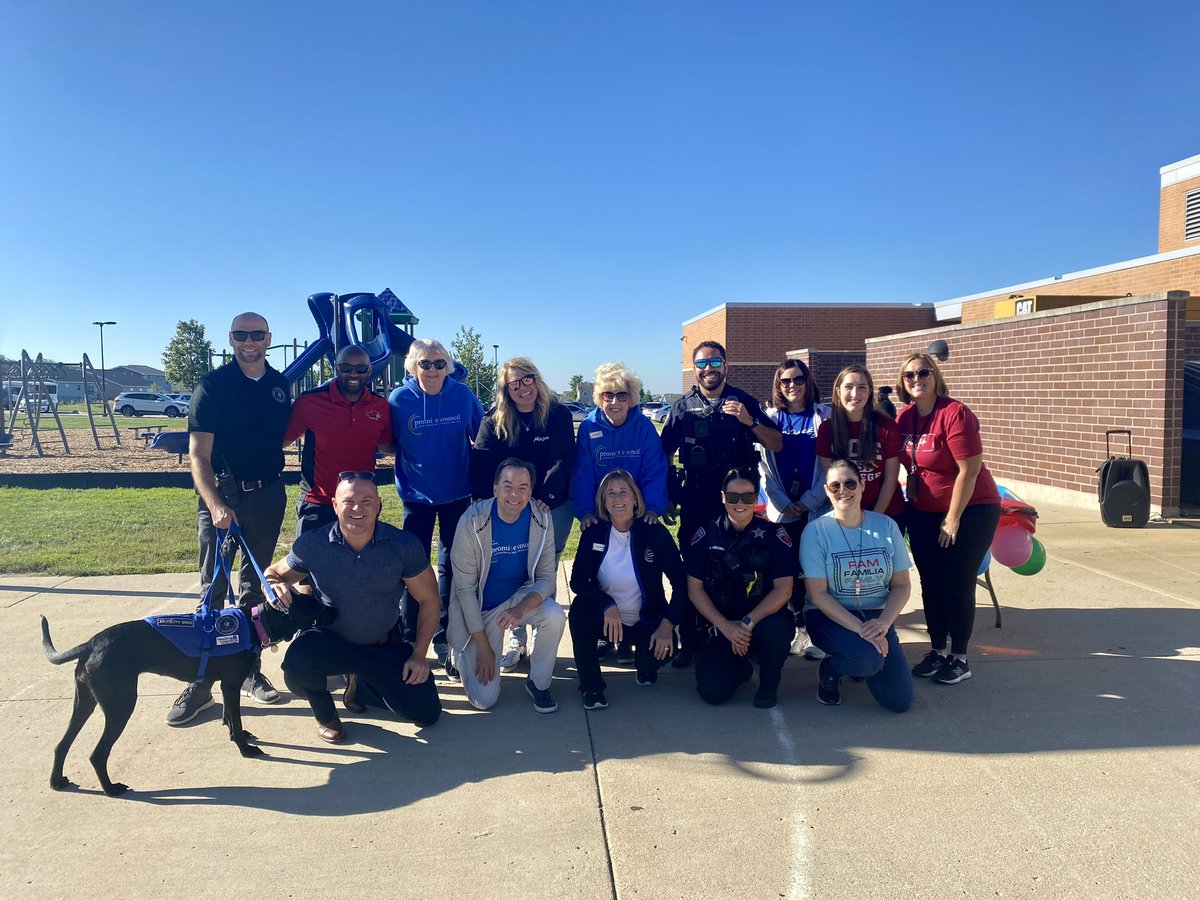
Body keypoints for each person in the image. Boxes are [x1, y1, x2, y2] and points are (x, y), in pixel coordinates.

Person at [166, 312, 292, 726]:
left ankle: (250, 670)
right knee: (213, 591)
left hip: (268, 495)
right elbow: (198, 455)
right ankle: (200, 682)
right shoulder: (213, 386)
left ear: (268, 338)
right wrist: (217, 504)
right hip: (223, 500)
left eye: (257, 335)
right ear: (232, 338)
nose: (249, 342)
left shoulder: (279, 386)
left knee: (253, 589)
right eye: (242, 335)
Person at [265, 475, 442, 744]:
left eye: (366, 501)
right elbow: (273, 573)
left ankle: (361, 687)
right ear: (335, 505)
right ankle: (327, 717)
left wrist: (419, 654)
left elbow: (429, 599)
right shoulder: (313, 544)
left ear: (379, 505)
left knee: (427, 713)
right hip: (330, 641)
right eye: (349, 502)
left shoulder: (402, 546)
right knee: (296, 668)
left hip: (380, 644)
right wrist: (274, 585)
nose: (357, 509)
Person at [662, 341, 782, 669]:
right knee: (694, 571)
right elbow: (662, 456)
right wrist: (669, 495)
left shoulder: (742, 401)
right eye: (702, 363)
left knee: (743, 567)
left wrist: (749, 422)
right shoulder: (682, 408)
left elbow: (776, 442)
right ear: (694, 368)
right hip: (697, 501)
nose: (709, 368)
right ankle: (691, 641)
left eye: (715, 361)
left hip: (738, 503)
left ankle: (745, 634)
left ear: (726, 365)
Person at [895, 353, 1001, 685]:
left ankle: (960, 656)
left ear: (935, 376)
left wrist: (953, 518)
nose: (916, 379)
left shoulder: (954, 414)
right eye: (909, 375)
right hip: (923, 511)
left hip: (971, 509)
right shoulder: (905, 419)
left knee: (957, 579)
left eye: (923, 372)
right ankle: (938, 649)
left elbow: (969, 471)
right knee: (931, 581)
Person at [470, 357, 576, 671]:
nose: (521, 387)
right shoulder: (494, 419)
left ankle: (541, 634)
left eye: (527, 379)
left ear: (536, 379)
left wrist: (545, 495)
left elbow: (563, 458)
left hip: (550, 502)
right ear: (505, 388)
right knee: (515, 568)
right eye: (513, 383)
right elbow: (482, 462)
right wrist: (488, 502)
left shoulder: (557, 414)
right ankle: (516, 638)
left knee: (545, 570)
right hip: (509, 504)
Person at [388, 338, 484, 666]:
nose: (432, 370)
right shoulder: (399, 401)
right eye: (425, 364)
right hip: (416, 499)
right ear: (412, 368)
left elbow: (482, 436)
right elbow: (388, 444)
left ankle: (446, 636)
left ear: (449, 367)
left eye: (439, 363)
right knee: (412, 568)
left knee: (452, 568)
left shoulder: (462, 396)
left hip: (458, 495)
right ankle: (410, 636)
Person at [447, 459, 566, 713]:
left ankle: (539, 684)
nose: (515, 494)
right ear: (495, 488)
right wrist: (483, 646)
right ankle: (458, 652)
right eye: (508, 486)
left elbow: (546, 577)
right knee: (484, 701)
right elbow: (464, 590)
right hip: (480, 608)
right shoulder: (472, 521)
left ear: (531, 491)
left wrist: (521, 610)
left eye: (523, 487)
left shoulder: (542, 518)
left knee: (554, 615)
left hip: (516, 598)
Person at [801, 459, 914, 711]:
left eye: (850, 482)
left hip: (876, 617)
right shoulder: (815, 531)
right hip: (829, 616)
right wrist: (862, 629)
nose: (843, 490)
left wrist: (883, 623)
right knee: (867, 660)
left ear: (862, 486)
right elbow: (817, 594)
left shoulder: (886, 526)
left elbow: (902, 585)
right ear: (827, 491)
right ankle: (831, 668)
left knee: (899, 701)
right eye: (834, 486)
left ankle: (858, 658)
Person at [568, 470, 686, 709]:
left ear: (635, 498)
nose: (617, 498)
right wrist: (607, 604)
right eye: (610, 493)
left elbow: (681, 583)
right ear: (603, 500)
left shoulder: (654, 532)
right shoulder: (594, 533)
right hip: (608, 621)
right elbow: (578, 582)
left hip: (648, 622)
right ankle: (591, 688)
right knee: (579, 612)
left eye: (624, 492)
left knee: (658, 656)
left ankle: (645, 665)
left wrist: (668, 624)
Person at [685, 467, 796, 709]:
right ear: (723, 497)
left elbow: (784, 590)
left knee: (776, 630)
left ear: (756, 499)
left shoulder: (774, 534)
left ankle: (768, 686)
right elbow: (694, 589)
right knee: (712, 693)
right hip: (722, 624)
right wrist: (725, 627)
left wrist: (747, 624)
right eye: (733, 497)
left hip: (762, 620)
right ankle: (741, 666)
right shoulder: (706, 535)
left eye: (747, 497)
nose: (740, 503)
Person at [285, 344, 392, 535]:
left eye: (360, 369)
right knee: (307, 563)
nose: (353, 374)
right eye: (346, 368)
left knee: (361, 563)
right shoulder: (310, 402)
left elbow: (386, 445)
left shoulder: (380, 406)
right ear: (336, 367)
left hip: (359, 503)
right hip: (318, 501)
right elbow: (282, 441)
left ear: (369, 370)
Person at [570, 362, 670, 528]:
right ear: (600, 398)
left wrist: (652, 507)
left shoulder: (644, 428)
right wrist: (585, 511)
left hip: (637, 512)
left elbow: (654, 470)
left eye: (622, 395)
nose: (615, 402)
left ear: (631, 398)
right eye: (608, 395)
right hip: (599, 512)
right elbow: (582, 474)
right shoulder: (588, 427)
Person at [815, 365, 902, 523]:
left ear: (869, 392)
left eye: (862, 387)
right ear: (838, 391)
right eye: (848, 387)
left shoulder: (887, 427)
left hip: (885, 514)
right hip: (845, 514)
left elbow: (890, 479)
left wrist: (875, 517)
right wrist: (846, 516)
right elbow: (831, 480)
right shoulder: (827, 429)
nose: (855, 394)